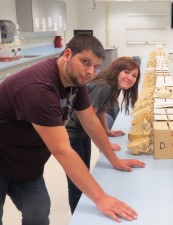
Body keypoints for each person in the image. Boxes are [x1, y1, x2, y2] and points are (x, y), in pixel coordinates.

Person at [0, 34, 145, 225]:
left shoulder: (75, 82)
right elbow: (62, 149)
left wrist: (115, 160)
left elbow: (90, 122)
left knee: (39, 213)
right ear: (67, 54)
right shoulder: (39, 87)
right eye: (85, 62)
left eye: (95, 66)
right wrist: (101, 198)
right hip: (3, 158)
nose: (90, 72)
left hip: (26, 164)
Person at [66, 56, 140, 213]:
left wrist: (106, 131)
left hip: (81, 132)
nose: (130, 78)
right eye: (126, 72)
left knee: (84, 174)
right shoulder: (104, 87)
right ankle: (78, 217)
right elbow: (89, 122)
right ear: (117, 70)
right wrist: (113, 158)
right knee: (78, 181)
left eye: (134, 75)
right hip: (72, 133)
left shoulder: (113, 87)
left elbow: (100, 111)